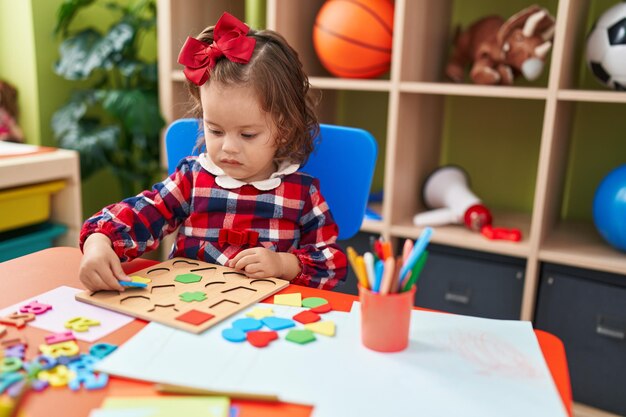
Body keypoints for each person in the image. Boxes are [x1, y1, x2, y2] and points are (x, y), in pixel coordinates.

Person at [79, 12, 347, 292]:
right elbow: (140, 214)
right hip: (187, 306)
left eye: (247, 134)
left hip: (263, 318)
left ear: (285, 128)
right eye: (215, 131)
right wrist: (99, 243)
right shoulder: (192, 179)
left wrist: (283, 264)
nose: (228, 147)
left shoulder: (302, 193)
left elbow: (333, 264)